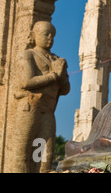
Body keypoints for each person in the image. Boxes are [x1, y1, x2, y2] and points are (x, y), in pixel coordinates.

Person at [13, 21, 70, 172]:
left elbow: (65, 90)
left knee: (44, 153)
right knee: (23, 153)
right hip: (31, 108)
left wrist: (63, 77)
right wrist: (54, 76)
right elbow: (26, 81)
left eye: (52, 35)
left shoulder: (56, 60)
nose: (50, 38)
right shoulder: (28, 55)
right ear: (34, 35)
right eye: (46, 34)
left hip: (48, 111)